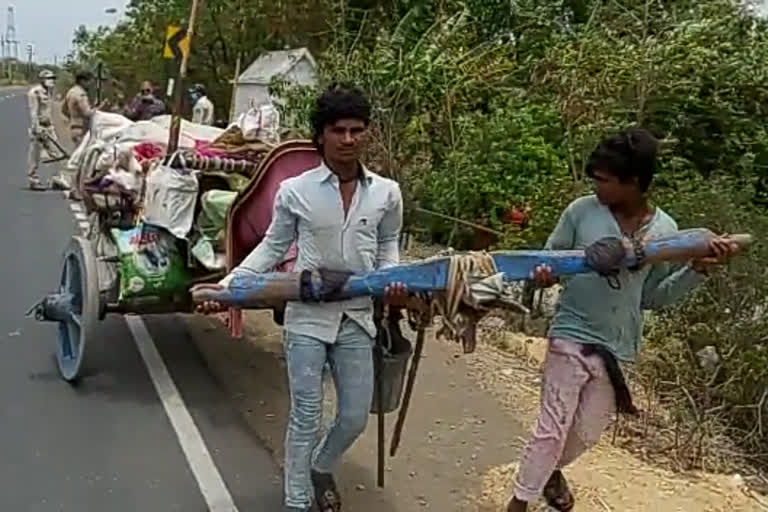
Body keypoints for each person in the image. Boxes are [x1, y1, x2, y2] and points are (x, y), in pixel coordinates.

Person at [194, 83, 407, 512]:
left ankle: (320, 466)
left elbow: (388, 247)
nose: (348, 140)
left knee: (352, 417)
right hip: (306, 316)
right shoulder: (296, 190)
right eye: (338, 130)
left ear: (367, 133)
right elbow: (273, 248)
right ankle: (296, 502)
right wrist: (229, 288)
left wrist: (392, 280)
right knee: (305, 415)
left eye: (356, 130)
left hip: (357, 318)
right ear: (321, 134)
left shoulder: (388, 193)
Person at [505, 128, 740, 512]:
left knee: (585, 433)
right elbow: (547, 258)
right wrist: (544, 273)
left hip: (618, 346)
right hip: (571, 333)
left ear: (633, 183)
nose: (596, 186)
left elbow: (652, 297)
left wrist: (696, 270)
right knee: (551, 431)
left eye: (605, 180)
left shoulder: (665, 232)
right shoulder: (581, 211)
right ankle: (518, 503)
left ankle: (547, 472)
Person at [27, 69, 68, 191]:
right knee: (35, 155)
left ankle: (56, 179)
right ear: (42, 80)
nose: (52, 81)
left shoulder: (49, 92)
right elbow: (33, 112)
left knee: (57, 154)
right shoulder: (35, 93)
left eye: (53, 78)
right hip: (39, 128)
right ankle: (33, 179)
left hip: (49, 126)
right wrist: (37, 128)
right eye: (49, 78)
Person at [64, 70, 96, 147]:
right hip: (82, 130)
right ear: (82, 81)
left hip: (74, 128)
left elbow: (64, 110)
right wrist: (98, 109)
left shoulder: (71, 92)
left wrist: (73, 117)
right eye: (89, 82)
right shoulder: (81, 94)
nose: (90, 85)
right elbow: (87, 113)